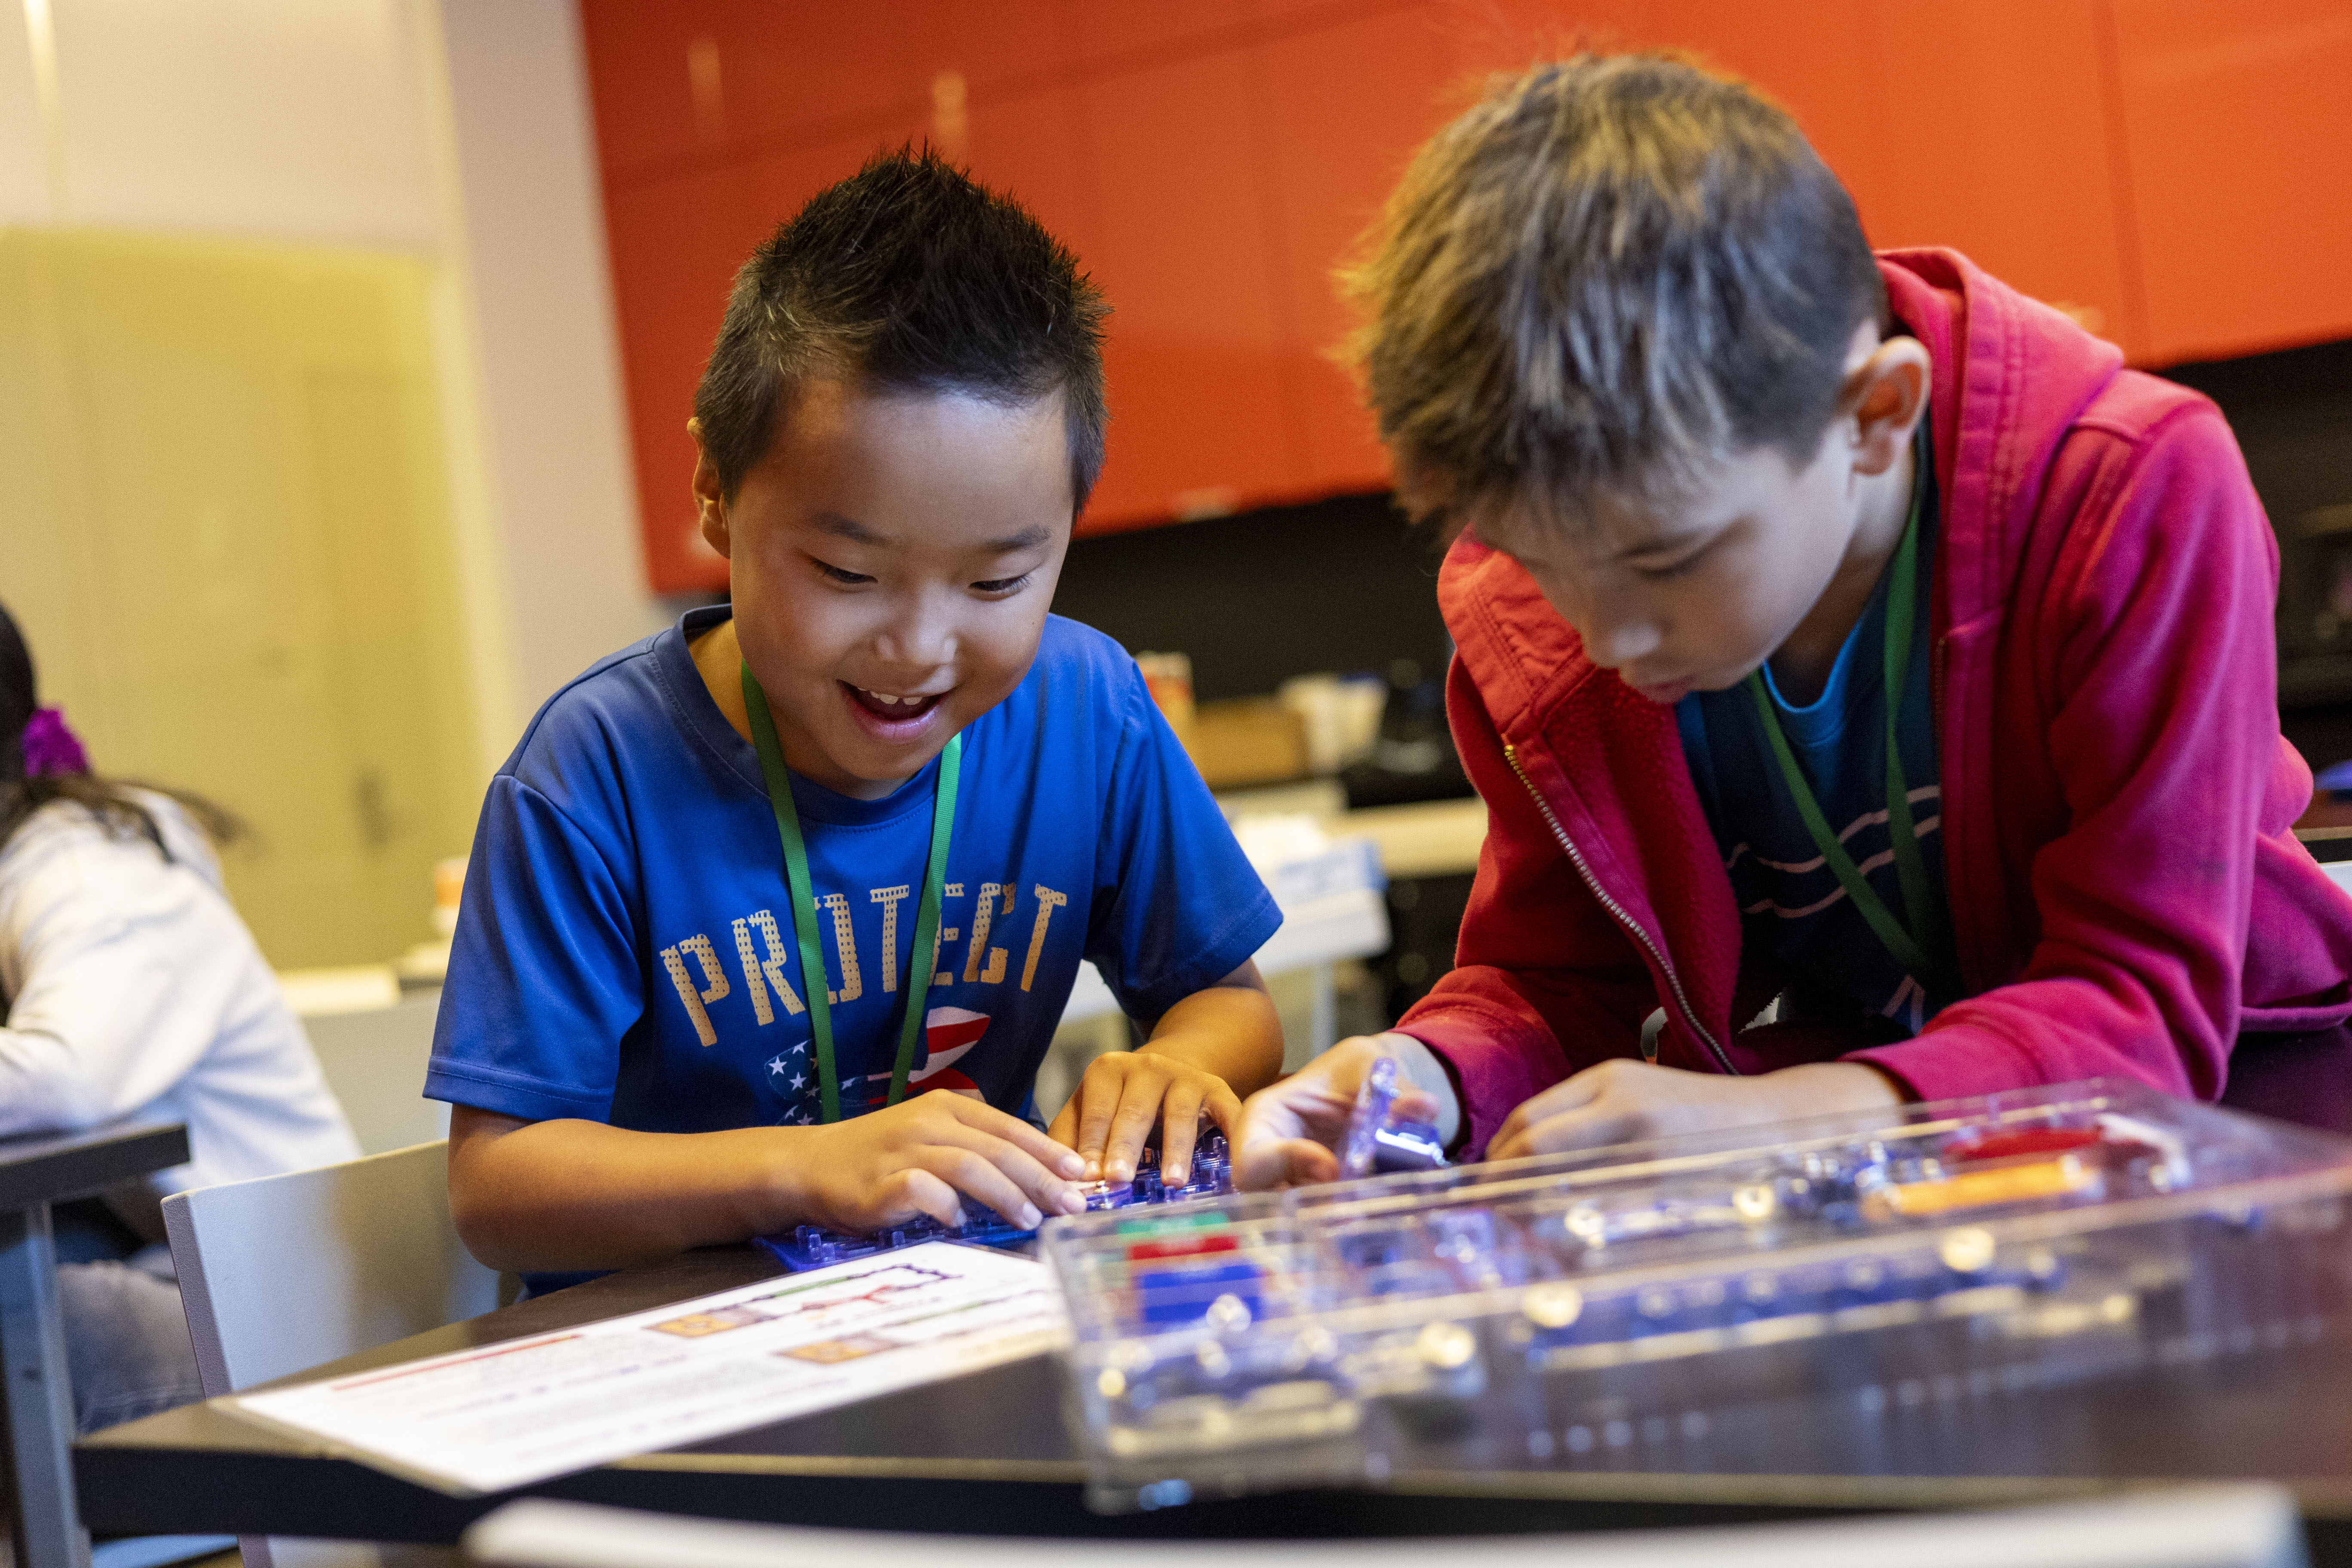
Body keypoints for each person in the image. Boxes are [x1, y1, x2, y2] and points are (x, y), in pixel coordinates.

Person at [1236, 55, 2352, 1187]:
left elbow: (2143, 999)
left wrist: (1793, 1116)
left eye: (1668, 560)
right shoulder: (1546, 612)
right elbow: (1557, 978)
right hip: (1883, 1170)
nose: (1606, 639)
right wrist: (1415, 1073)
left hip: (2235, 1135)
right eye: (1538, 560)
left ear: (1876, 417)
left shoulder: (2131, 491)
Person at [432, 150, 1285, 1291]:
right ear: (715, 493)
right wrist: (802, 1168)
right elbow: (501, 1191)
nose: (918, 649)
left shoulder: (1089, 709)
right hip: (690, 1357)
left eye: (995, 585)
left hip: (977, 1311)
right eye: (846, 571)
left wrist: (1177, 1065)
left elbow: (1224, 1000)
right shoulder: (593, 774)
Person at [0, 603, 358, 1432]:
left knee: (36, 1325)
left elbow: (63, 1074)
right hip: (153, 1258)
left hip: (279, 1304)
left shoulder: (93, 876)